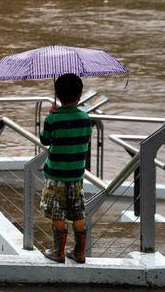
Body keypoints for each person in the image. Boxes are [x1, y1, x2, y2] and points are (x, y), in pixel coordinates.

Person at [39, 73, 92, 264]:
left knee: (56, 212)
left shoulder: (54, 119)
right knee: (78, 212)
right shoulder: (86, 118)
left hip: (56, 175)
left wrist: (52, 114)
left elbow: (45, 139)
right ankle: (80, 252)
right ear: (80, 95)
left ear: (57, 95)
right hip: (76, 175)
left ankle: (59, 252)